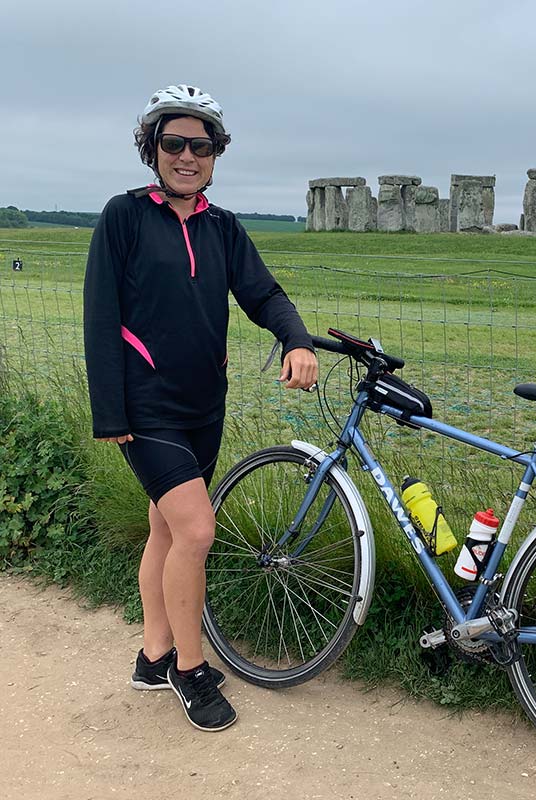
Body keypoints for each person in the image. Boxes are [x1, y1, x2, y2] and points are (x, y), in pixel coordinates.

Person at [83, 84, 318, 732]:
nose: (187, 156)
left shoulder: (223, 227)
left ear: (215, 155)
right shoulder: (124, 216)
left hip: (203, 406)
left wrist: (296, 340)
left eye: (201, 146)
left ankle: (153, 657)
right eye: (174, 143)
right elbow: (100, 316)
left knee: (165, 531)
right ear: (152, 148)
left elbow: (263, 294)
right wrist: (110, 414)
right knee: (195, 531)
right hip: (144, 409)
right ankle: (190, 670)